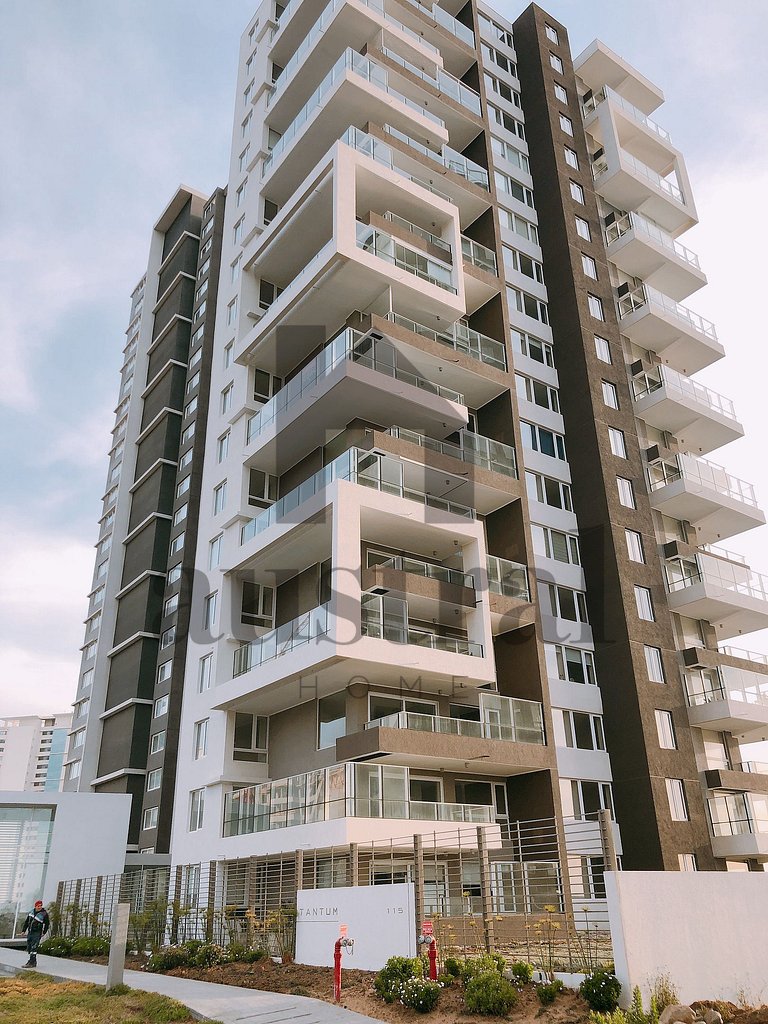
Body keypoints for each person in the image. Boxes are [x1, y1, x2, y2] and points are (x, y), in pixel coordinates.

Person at [21, 900, 49, 967]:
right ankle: (33, 961)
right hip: (30, 932)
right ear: (35, 906)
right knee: (30, 946)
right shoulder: (31, 912)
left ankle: (31, 962)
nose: (40, 907)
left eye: (41, 906)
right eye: (38, 906)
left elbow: (47, 924)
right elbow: (26, 922)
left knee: (34, 947)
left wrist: (44, 932)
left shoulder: (44, 914)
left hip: (37, 932)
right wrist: (23, 930)